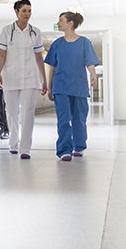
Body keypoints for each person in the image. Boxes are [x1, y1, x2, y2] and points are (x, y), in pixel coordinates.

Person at [0, 0, 47, 159]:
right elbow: (2, 54)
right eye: (24, 11)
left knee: (28, 113)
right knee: (11, 112)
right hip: (10, 76)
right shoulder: (6, 30)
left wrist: (44, 78)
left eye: (30, 11)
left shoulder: (35, 32)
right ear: (16, 12)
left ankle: (25, 148)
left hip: (30, 77)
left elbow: (39, 57)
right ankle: (13, 143)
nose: (28, 14)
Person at [44, 12, 100, 161]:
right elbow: (52, 67)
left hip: (79, 85)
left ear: (70, 23)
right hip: (60, 86)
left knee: (79, 118)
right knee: (63, 118)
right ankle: (64, 150)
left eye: (61, 20)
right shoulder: (56, 44)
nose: (58, 23)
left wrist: (93, 74)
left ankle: (79, 146)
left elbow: (89, 61)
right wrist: (50, 87)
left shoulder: (84, 42)